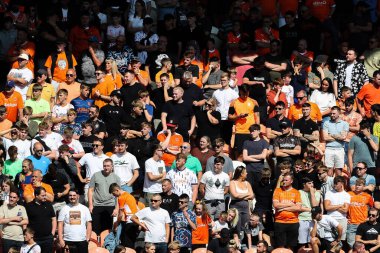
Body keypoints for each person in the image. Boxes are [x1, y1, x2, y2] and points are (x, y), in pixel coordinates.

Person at [88, 158, 120, 235]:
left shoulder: (116, 177)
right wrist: (90, 205)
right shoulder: (96, 175)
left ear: (112, 166)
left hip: (110, 205)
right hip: (97, 205)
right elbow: (90, 190)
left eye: (108, 166)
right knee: (95, 228)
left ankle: (105, 245)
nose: (106, 168)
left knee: (107, 229)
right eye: (104, 166)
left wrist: (116, 208)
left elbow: (119, 195)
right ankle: (96, 245)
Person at [228, 84, 260, 158]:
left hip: (251, 131)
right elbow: (229, 116)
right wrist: (239, 116)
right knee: (239, 154)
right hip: (239, 131)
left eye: (246, 94)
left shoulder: (254, 102)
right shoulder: (234, 102)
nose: (245, 96)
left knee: (251, 153)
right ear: (240, 92)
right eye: (243, 94)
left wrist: (257, 130)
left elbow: (257, 117)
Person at [272, 173, 301, 250]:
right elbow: (276, 205)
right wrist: (290, 205)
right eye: (283, 180)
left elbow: (298, 208)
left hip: (293, 222)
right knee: (280, 246)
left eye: (286, 180)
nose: (284, 181)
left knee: (290, 247)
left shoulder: (296, 192)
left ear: (291, 181)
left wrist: (282, 208)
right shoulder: (278, 191)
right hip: (280, 222)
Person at [58, 189, 92, 253]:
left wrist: (88, 238)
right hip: (68, 240)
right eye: (70, 195)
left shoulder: (85, 209)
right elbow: (60, 224)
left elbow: (89, 224)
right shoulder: (64, 208)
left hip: (82, 240)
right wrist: (60, 239)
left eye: (74, 195)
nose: (72, 197)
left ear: (78, 196)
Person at [25, 187, 56, 253]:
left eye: (45, 195)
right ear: (36, 195)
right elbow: (25, 222)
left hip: (48, 238)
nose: (45, 197)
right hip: (34, 239)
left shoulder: (48, 204)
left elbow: (53, 219)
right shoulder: (28, 206)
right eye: (43, 195)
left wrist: (52, 233)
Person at [110, 183, 141, 248]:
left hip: (130, 222)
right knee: (132, 243)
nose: (114, 196)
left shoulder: (121, 197)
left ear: (117, 190)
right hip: (135, 222)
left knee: (127, 245)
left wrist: (116, 224)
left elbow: (121, 214)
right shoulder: (129, 195)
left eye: (113, 193)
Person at [346, 178, 374, 249]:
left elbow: (372, 208)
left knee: (362, 246)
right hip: (351, 223)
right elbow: (344, 206)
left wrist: (368, 218)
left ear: (364, 186)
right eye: (356, 185)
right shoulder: (349, 194)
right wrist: (345, 218)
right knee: (351, 245)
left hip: (362, 224)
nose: (357, 186)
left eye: (359, 185)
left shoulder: (368, 196)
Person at [212, 73, 238, 145]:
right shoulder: (216, 92)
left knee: (227, 140)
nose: (222, 82)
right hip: (218, 119)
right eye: (221, 80)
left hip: (228, 119)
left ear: (229, 81)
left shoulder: (234, 93)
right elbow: (213, 105)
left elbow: (236, 107)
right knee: (217, 140)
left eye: (224, 80)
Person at [322, 106, 349, 175]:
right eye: (331, 113)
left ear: (339, 113)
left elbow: (343, 137)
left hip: (339, 149)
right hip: (329, 148)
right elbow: (325, 137)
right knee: (329, 170)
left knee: (339, 170)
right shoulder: (326, 123)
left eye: (334, 113)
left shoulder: (345, 124)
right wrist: (338, 136)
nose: (332, 115)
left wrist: (331, 135)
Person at [229, 166, 254, 237]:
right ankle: (237, 243)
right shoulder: (232, 183)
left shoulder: (247, 183)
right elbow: (235, 195)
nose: (247, 173)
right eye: (245, 172)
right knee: (237, 225)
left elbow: (252, 196)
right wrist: (247, 194)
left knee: (245, 225)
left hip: (245, 207)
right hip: (235, 206)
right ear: (241, 174)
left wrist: (241, 195)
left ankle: (244, 243)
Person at [324, 176, 351, 243]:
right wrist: (340, 205)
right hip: (330, 219)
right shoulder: (329, 193)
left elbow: (345, 210)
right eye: (334, 183)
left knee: (340, 242)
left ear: (342, 184)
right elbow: (327, 207)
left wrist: (332, 207)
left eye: (336, 183)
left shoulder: (346, 195)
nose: (334, 184)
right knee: (329, 241)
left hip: (341, 219)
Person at [298, 177, 321, 248]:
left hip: (313, 220)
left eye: (312, 183)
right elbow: (299, 208)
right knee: (302, 243)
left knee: (311, 242)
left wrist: (312, 193)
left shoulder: (316, 193)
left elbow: (315, 206)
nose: (312, 185)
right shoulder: (299, 192)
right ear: (304, 184)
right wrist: (310, 210)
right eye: (309, 183)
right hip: (302, 219)